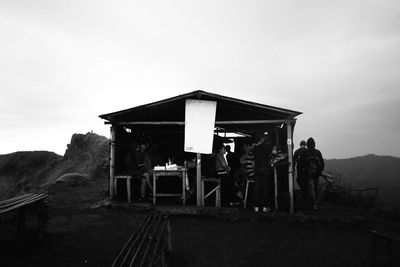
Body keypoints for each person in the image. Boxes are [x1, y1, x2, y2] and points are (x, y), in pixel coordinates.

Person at [252, 134, 273, 212]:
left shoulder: (254, 147)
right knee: (265, 187)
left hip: (257, 169)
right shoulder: (267, 146)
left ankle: (256, 207)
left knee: (257, 187)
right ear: (262, 139)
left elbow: (254, 157)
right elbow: (271, 156)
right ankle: (265, 206)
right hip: (265, 169)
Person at [304, 137, 324, 211]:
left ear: (307, 144)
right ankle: (315, 204)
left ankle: (313, 204)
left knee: (311, 189)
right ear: (314, 144)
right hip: (316, 174)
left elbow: (302, 164)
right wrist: (319, 172)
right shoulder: (317, 152)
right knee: (316, 189)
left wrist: (305, 172)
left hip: (309, 175)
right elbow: (322, 164)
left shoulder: (305, 152)